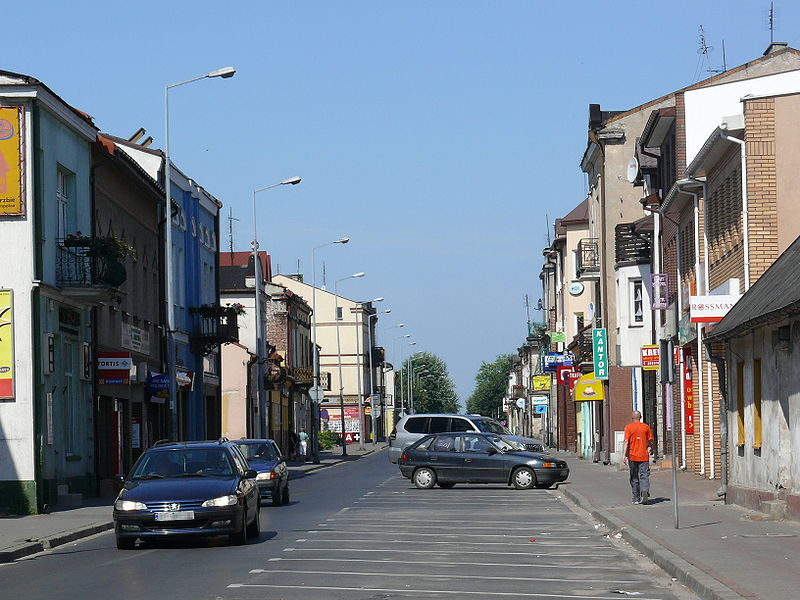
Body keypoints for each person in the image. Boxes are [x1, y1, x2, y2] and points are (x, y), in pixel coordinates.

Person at [622, 410, 653, 505]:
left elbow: (626, 441)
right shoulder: (646, 427)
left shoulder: (629, 427)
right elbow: (650, 441)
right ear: (641, 417)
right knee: (644, 475)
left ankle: (636, 498)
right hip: (644, 455)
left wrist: (624, 454)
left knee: (634, 476)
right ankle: (644, 490)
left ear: (632, 417)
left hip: (632, 456)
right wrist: (649, 449)